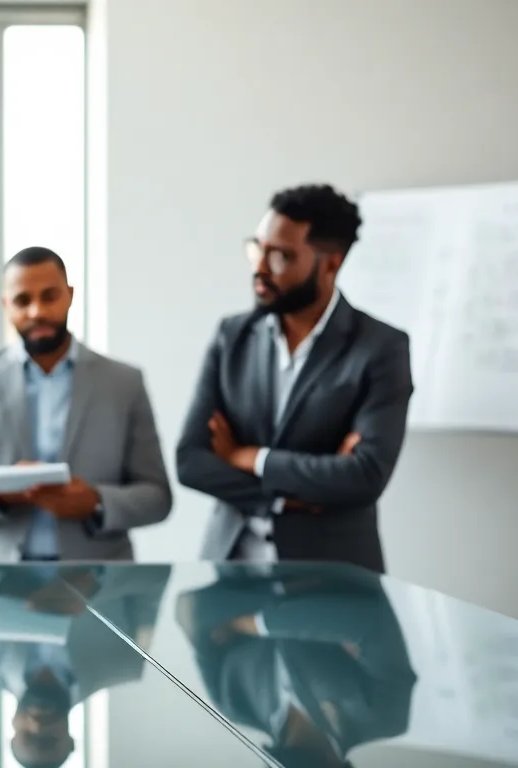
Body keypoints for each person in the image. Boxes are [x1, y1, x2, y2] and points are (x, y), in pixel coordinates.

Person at [175, 184, 413, 574]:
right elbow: (191, 461)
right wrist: (284, 499)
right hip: (229, 570)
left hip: (331, 578)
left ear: (330, 264)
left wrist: (248, 457)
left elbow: (365, 476)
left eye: (281, 257)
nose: (260, 268)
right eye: (257, 248)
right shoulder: (231, 336)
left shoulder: (380, 348)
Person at [0, 246, 173, 562]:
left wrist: (95, 500)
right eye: (22, 300)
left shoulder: (124, 382)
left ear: (69, 295)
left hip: (97, 583)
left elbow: (158, 497)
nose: (37, 311)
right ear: (5, 305)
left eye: (49, 296)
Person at [0, 564, 172, 767]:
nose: (38, 726)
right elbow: (157, 575)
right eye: (48, 741)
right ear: (70, 739)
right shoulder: (123, 664)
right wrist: (96, 583)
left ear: (12, 727)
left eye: (28, 736)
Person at [175, 567, 416, 766]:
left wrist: (291, 594)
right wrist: (250, 623)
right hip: (326, 546)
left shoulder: (235, 706)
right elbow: (371, 623)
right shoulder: (384, 716)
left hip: (241, 561)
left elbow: (193, 610)